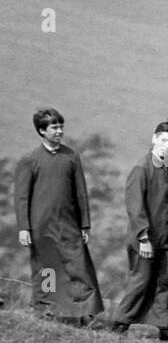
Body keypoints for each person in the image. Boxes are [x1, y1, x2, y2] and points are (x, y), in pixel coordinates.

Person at [107, 119, 168, 339]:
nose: (166, 146)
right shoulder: (141, 169)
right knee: (141, 281)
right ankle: (119, 324)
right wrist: (143, 238)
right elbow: (135, 207)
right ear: (154, 139)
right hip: (147, 239)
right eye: (163, 141)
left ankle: (166, 327)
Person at [12, 107, 104, 325]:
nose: (59, 131)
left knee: (79, 267)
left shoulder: (71, 156)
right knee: (47, 270)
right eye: (54, 127)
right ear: (42, 131)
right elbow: (21, 197)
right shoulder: (30, 160)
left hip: (69, 225)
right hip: (41, 227)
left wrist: (85, 225)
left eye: (61, 126)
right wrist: (24, 228)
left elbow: (80, 193)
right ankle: (47, 313)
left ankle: (84, 314)